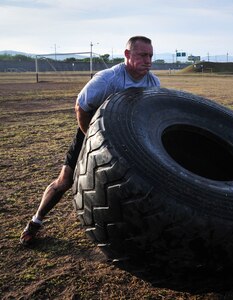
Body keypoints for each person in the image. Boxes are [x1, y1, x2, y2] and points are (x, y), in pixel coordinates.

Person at [20, 36, 160, 245]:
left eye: (150, 55)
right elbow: (81, 107)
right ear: (127, 55)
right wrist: (92, 138)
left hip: (129, 138)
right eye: (142, 55)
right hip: (93, 132)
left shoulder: (153, 82)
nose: (148, 60)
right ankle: (35, 222)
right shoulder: (108, 79)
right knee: (64, 181)